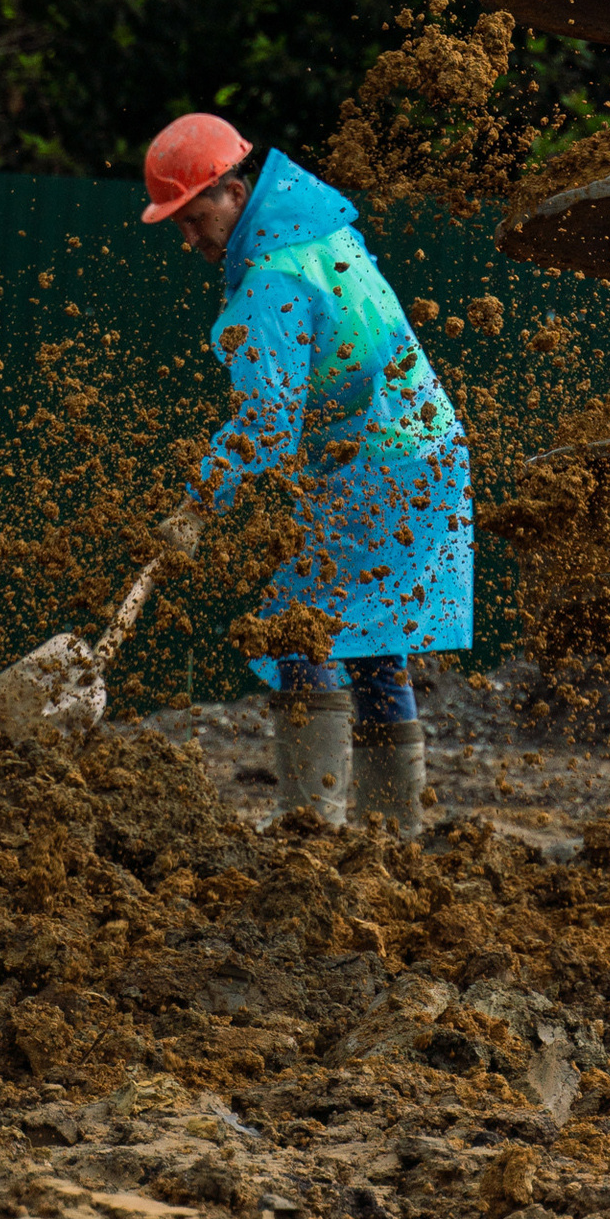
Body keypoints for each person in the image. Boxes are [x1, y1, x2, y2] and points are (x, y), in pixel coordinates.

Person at [144, 112, 470, 837]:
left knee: (299, 629)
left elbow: (267, 422)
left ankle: (311, 834)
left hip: (377, 464)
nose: (190, 239)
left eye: (195, 218)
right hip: (428, 451)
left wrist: (197, 505)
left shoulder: (270, 276)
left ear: (233, 190)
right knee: (376, 640)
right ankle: (393, 835)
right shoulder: (318, 230)